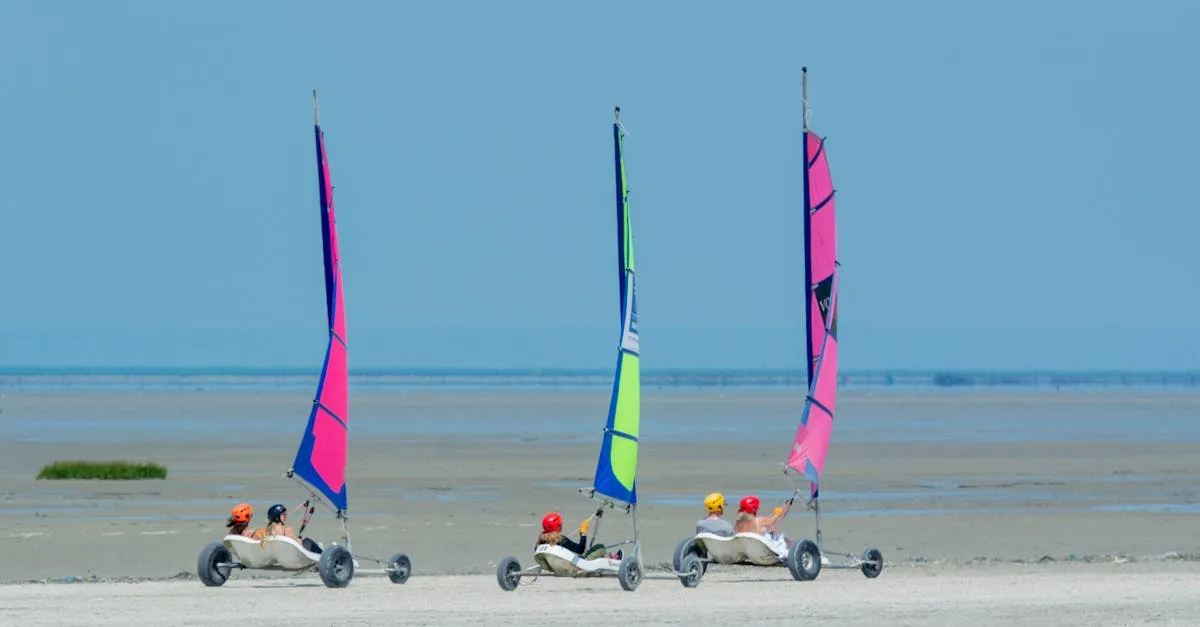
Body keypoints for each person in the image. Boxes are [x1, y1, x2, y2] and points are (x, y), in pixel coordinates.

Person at [255, 502, 323, 554]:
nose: (286, 516)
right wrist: (299, 539)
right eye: (283, 515)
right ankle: (321, 555)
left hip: (278, 555)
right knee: (307, 541)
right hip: (292, 555)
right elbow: (298, 545)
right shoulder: (287, 530)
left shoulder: (266, 531)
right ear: (277, 517)